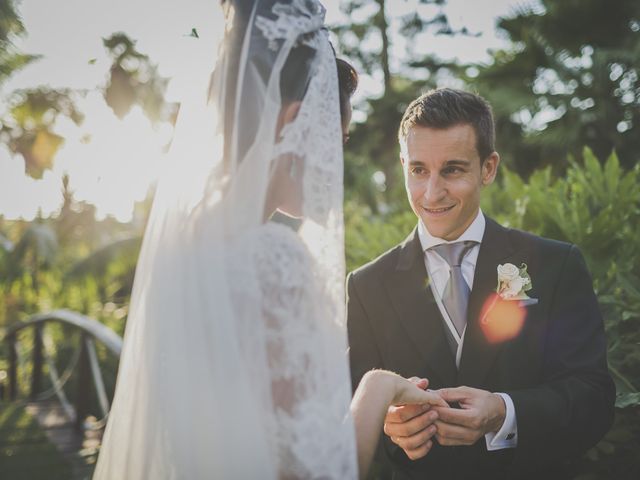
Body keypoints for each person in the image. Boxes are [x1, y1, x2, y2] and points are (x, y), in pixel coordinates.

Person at [93, 1, 444, 479]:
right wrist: (380, 387)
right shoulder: (272, 260)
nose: (334, 167)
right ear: (293, 122)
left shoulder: (185, 248)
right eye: (335, 141)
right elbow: (317, 472)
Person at [346, 88, 616, 479]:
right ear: (403, 164)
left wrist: (506, 412)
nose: (432, 192)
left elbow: (595, 398)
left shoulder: (555, 265)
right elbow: (353, 412)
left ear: (488, 168)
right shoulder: (367, 286)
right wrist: (392, 428)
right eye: (418, 170)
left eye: (452, 170)